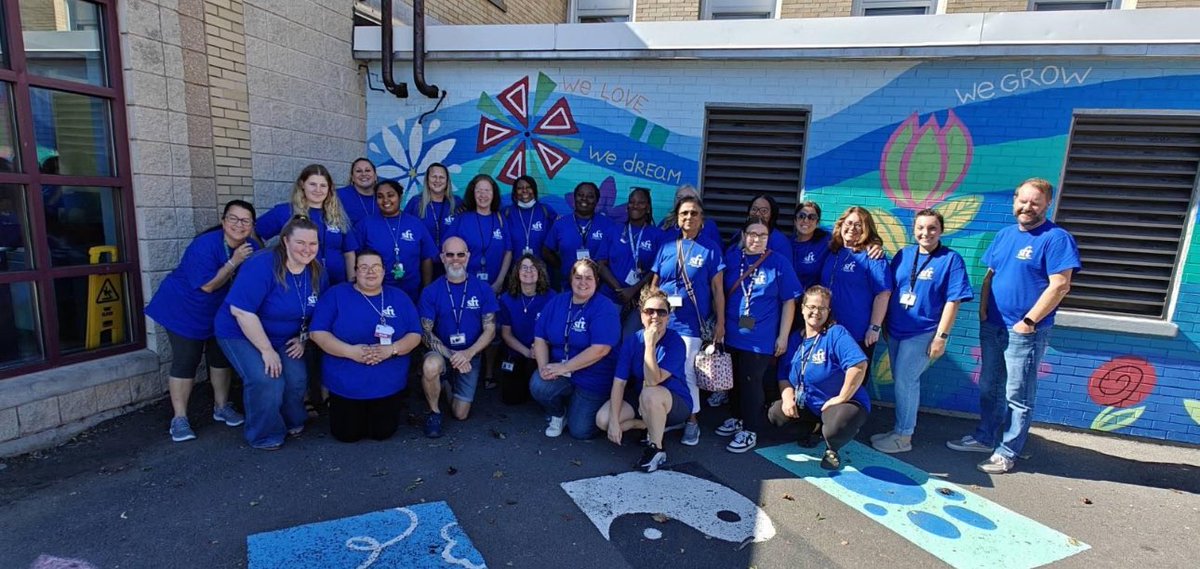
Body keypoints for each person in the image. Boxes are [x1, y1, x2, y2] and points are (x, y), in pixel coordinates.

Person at [947, 178, 1080, 474]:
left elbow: (1060, 285)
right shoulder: (1005, 235)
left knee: (1017, 394)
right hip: (993, 325)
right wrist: (983, 310)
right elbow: (990, 275)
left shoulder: (1056, 238)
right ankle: (985, 437)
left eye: (1035, 202)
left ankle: (1008, 451)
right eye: (1022, 200)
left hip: (1025, 331)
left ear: (1047, 204)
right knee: (989, 387)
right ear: (1014, 201)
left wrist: (1029, 322)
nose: (1027, 207)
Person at [145, 200, 261, 442]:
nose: (239, 225)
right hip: (183, 310)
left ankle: (221, 406)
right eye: (233, 218)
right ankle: (179, 418)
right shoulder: (205, 245)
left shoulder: (251, 245)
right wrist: (234, 261)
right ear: (223, 221)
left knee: (220, 358)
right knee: (186, 360)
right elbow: (209, 286)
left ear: (252, 225)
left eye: (245, 221)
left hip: (219, 314)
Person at [215, 216, 327, 450]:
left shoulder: (318, 271)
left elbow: (318, 310)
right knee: (266, 379)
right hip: (241, 331)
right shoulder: (262, 264)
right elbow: (241, 311)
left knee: (296, 378)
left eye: (313, 243)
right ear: (285, 241)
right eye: (300, 243)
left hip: (284, 336)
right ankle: (264, 434)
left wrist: (303, 338)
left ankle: (289, 421)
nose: (308, 249)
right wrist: (266, 350)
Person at [871, 209, 973, 454]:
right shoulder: (904, 254)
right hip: (896, 330)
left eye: (932, 228)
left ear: (941, 230)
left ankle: (904, 437)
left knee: (906, 382)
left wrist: (942, 336)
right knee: (901, 381)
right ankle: (898, 429)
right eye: (921, 228)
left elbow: (953, 300)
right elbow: (891, 288)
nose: (925, 233)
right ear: (913, 229)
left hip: (923, 332)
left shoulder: (951, 259)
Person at [310, 249, 422, 442]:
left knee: (382, 433)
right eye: (364, 267)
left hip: (387, 382)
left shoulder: (399, 297)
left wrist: (391, 349)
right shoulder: (336, 295)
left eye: (376, 267)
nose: (370, 272)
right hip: (346, 382)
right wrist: (350, 351)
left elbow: (415, 335)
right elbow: (317, 332)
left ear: (384, 271)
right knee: (347, 435)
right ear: (355, 272)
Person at [716, 218, 802, 454]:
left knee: (752, 382)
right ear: (743, 235)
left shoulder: (778, 263)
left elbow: (789, 301)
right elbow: (719, 291)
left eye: (762, 235)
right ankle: (737, 418)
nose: (756, 239)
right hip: (731, 333)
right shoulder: (733, 258)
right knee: (732, 381)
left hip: (760, 338)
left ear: (769, 238)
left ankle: (750, 429)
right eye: (752, 234)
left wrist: (782, 337)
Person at [650, 195, 726, 446]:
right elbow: (654, 286)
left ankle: (692, 421)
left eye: (694, 213)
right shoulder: (666, 247)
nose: (689, 218)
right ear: (677, 218)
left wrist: (720, 323)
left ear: (701, 219)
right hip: (662, 323)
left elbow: (717, 290)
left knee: (685, 372)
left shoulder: (710, 248)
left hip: (690, 326)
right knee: (657, 370)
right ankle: (666, 416)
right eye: (684, 213)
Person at [770, 285, 870, 470]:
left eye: (822, 308)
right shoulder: (794, 339)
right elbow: (784, 374)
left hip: (840, 404)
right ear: (802, 308)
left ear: (828, 311)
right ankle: (816, 429)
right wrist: (786, 398)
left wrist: (841, 398)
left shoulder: (835, 333)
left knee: (837, 425)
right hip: (809, 404)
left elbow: (858, 365)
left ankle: (833, 447)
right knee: (776, 414)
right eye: (812, 307)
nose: (816, 312)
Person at [597, 288, 693, 472]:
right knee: (603, 420)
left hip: (673, 401)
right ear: (641, 315)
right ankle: (643, 425)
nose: (655, 316)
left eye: (661, 312)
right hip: (643, 397)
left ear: (668, 317)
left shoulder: (675, 342)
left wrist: (650, 344)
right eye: (649, 311)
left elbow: (652, 380)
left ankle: (656, 448)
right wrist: (615, 423)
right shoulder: (632, 340)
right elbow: (619, 382)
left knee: (651, 393)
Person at [530, 259, 621, 440]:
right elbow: (539, 337)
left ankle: (590, 406)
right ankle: (558, 413)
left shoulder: (605, 307)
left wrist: (565, 367)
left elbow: (601, 349)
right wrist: (543, 368)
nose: (583, 282)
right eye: (578, 277)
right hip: (563, 370)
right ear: (571, 279)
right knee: (539, 384)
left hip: (594, 377)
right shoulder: (558, 302)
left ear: (596, 281)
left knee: (580, 431)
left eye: (589, 278)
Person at [418, 237, 499, 438]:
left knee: (460, 414)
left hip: (471, 355)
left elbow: (490, 329)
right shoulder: (431, 291)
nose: (456, 260)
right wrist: (453, 355)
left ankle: (444, 383)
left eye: (460, 254)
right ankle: (434, 412)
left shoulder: (482, 288)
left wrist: (468, 353)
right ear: (442, 258)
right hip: (442, 352)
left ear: (468, 256)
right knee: (430, 366)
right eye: (450, 255)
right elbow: (425, 332)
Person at [257, 164, 354, 283]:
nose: (318, 190)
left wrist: (351, 283)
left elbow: (349, 253)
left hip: (336, 284)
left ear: (329, 189)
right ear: (302, 184)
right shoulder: (285, 212)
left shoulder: (339, 216)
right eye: (312, 184)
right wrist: (264, 261)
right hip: (299, 284)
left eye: (323, 185)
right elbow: (255, 233)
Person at [821, 206, 892, 365]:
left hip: (856, 331)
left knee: (854, 381)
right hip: (828, 328)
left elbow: (883, 293)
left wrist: (874, 328)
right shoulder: (833, 251)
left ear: (866, 229)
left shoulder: (872, 256)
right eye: (849, 223)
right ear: (841, 225)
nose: (852, 228)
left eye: (858, 225)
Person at [352, 180, 436, 302]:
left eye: (390, 195)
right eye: (380, 197)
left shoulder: (415, 224)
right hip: (375, 292)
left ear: (400, 197)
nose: (386, 200)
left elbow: (426, 257)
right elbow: (354, 257)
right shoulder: (365, 224)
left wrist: (426, 288)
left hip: (411, 293)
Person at [604, 187, 663, 336]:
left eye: (640, 202)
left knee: (631, 341)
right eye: (632, 202)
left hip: (640, 301)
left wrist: (633, 290)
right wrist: (620, 291)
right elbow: (600, 264)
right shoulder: (614, 229)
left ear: (648, 207)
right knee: (608, 338)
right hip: (611, 296)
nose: (635, 205)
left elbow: (656, 270)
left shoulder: (657, 235)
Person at [497, 254, 554, 405]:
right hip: (518, 351)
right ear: (517, 272)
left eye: (533, 267)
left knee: (539, 391)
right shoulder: (506, 299)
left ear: (540, 272)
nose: (528, 271)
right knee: (511, 399)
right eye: (524, 267)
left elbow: (555, 330)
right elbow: (506, 334)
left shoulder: (551, 298)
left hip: (543, 350)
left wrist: (540, 348)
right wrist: (527, 352)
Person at [542, 181, 618, 285]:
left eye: (590, 196)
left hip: (599, 287)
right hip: (568, 285)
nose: (584, 199)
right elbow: (546, 251)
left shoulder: (608, 225)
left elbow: (615, 255)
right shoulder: (561, 224)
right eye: (580, 195)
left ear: (597, 200)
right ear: (574, 198)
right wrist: (563, 266)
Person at [447, 174, 512, 294]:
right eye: (479, 191)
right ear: (473, 193)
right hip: (464, 287)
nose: (483, 195)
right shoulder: (462, 219)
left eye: (487, 191)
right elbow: (447, 251)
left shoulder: (500, 219)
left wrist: (499, 282)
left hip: (494, 287)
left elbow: (508, 252)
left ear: (494, 194)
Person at [502, 175, 557, 262]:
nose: (524, 190)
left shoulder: (546, 210)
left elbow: (558, 233)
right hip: (514, 270)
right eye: (520, 188)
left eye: (528, 187)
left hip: (543, 270)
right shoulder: (507, 212)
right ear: (515, 192)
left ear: (534, 190)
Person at [404, 162, 457, 246]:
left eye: (442, 177)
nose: (437, 180)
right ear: (427, 179)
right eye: (434, 177)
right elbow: (404, 229)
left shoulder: (457, 202)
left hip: (449, 257)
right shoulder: (415, 202)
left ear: (447, 181)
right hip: (422, 257)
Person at [726, 194, 791, 254]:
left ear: (772, 214)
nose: (757, 214)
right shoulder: (739, 234)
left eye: (764, 211)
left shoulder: (780, 241)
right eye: (754, 209)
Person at [791, 201, 832, 290]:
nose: (806, 220)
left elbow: (848, 239)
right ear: (795, 220)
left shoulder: (826, 241)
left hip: (814, 300)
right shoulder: (788, 244)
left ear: (817, 222)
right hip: (790, 299)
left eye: (812, 217)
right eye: (801, 216)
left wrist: (869, 245)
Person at [337, 158, 379, 226]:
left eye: (367, 170)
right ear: (352, 177)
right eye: (359, 171)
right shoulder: (339, 195)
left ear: (375, 176)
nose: (363, 174)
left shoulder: (383, 198)